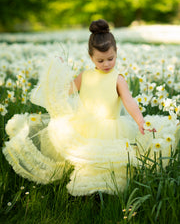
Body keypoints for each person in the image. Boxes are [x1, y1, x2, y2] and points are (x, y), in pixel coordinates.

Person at [3, 19, 179, 196]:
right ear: (91, 57)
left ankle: (105, 193)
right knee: (85, 158)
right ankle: (86, 189)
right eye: (100, 60)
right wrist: (57, 71)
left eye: (110, 59)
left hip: (112, 128)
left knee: (108, 162)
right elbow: (66, 91)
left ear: (116, 52)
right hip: (85, 125)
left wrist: (140, 121)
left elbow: (129, 101)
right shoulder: (85, 76)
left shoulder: (118, 79)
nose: (106, 64)